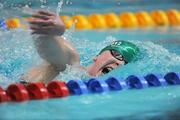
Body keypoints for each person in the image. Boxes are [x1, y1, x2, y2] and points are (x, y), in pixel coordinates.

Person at [21, 11, 139, 84]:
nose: (119, 62)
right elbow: (52, 50)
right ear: (96, 56)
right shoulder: (72, 67)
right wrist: (49, 33)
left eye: (125, 62)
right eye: (117, 54)